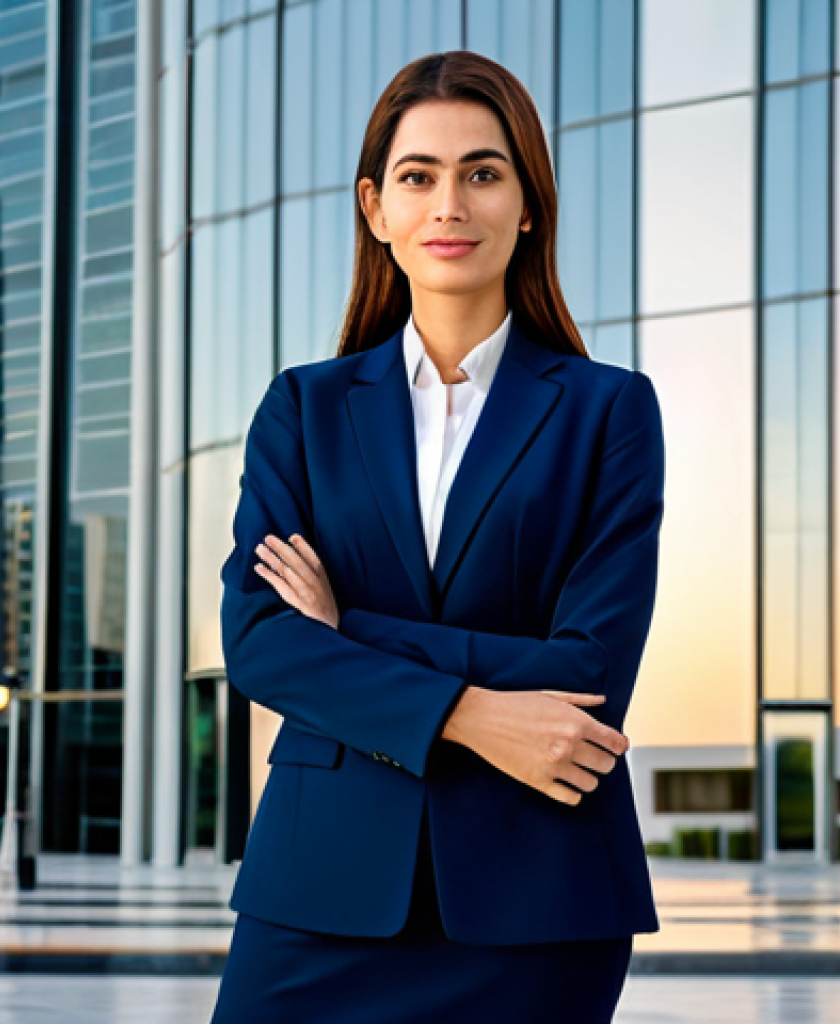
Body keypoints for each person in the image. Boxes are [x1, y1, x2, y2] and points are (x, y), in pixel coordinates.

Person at [210, 50, 664, 1024]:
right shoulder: (303, 407)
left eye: (482, 172)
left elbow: (586, 673)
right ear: (376, 208)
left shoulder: (610, 411)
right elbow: (257, 640)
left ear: (527, 202)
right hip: (317, 885)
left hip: (537, 893)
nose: (448, 203)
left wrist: (348, 632)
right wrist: (472, 711)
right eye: (418, 176)